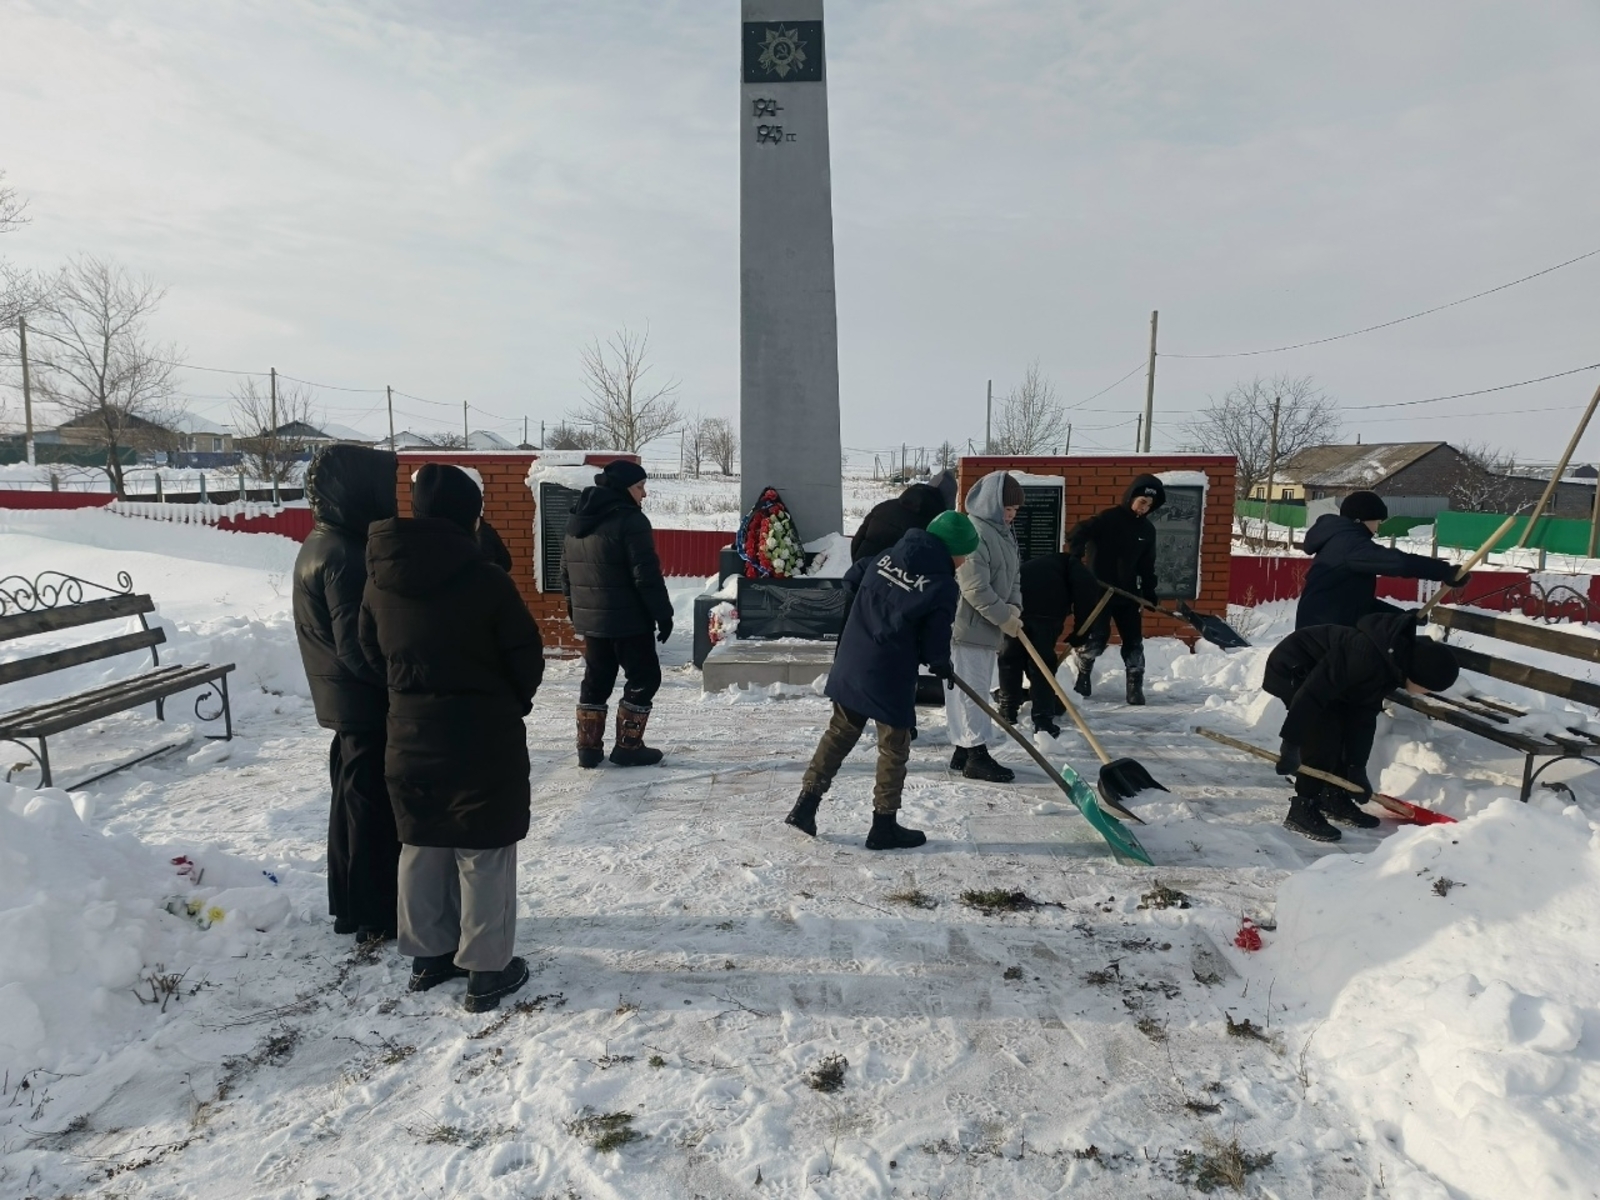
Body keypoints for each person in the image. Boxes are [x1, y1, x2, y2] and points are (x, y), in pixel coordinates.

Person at [359, 464, 545, 1012]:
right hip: (482, 738)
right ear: (470, 513)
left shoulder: (379, 577)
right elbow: (525, 657)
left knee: (422, 844)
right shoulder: (486, 578)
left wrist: (406, 695)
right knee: (483, 848)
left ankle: (428, 959)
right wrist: (510, 703)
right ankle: (487, 972)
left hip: (409, 735)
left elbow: (370, 653)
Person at [784, 511, 978, 848]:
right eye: (964, 555)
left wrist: (868, 614)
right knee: (894, 747)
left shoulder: (888, 555)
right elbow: (936, 636)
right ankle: (883, 825)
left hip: (854, 656)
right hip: (891, 670)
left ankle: (805, 806)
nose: (963, 563)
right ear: (951, 550)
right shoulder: (943, 585)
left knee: (840, 732)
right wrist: (940, 663)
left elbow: (853, 577)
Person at [292, 444, 402, 943]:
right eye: (384, 486)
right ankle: (373, 912)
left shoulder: (324, 541)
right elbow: (358, 648)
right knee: (369, 811)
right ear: (358, 489)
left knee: (352, 804)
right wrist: (398, 683)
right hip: (362, 704)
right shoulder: (343, 554)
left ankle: (351, 907)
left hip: (346, 703)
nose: (392, 497)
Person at [1264, 610, 1459, 842]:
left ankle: (1332, 794)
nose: (1427, 694)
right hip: (1294, 666)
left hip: (1328, 677)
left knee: (1343, 722)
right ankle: (1302, 806)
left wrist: (1356, 769)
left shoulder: (1391, 668)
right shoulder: (1365, 657)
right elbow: (1311, 696)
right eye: (1428, 688)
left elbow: (1363, 717)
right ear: (1418, 676)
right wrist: (1292, 744)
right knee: (1324, 731)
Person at [562, 459, 674, 768]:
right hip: (629, 621)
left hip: (594, 622)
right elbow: (646, 575)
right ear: (625, 488)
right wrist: (663, 614)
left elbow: (566, 574)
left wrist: (578, 614)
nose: (644, 494)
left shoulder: (577, 518)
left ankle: (588, 748)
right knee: (644, 677)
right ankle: (628, 746)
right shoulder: (630, 520)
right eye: (640, 487)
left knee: (597, 679)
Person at [945, 471, 1025, 782]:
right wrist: (1004, 616)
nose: (1011, 516)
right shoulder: (974, 535)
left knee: (970, 689)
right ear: (992, 504)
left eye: (1015, 511)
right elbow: (975, 588)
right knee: (970, 692)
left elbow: (1014, 577)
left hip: (987, 627)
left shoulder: (1004, 535)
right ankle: (976, 755)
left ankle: (963, 751)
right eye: (1007, 509)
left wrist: (1014, 607)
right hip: (967, 629)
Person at [1296, 491, 1468, 630]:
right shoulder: (1350, 545)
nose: (1378, 527)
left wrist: (1402, 617)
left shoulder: (1339, 540)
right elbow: (1398, 563)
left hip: (1324, 630)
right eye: (1377, 521)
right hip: (1322, 637)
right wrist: (1444, 571)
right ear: (1361, 519)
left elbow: (1358, 603)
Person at [1066, 474, 1165, 705]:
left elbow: (1147, 565)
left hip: (1127, 594)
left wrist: (1149, 591)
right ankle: (1083, 674)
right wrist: (1076, 555)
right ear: (1131, 497)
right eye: (1142, 502)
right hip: (1099, 591)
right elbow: (1079, 531)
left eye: (1149, 506)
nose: (1144, 509)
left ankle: (1135, 685)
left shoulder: (1147, 530)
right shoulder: (1108, 519)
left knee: (1133, 641)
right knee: (1097, 638)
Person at [995, 550, 1098, 736]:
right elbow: (1086, 598)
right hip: (1045, 616)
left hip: (1015, 611)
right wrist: (1081, 632)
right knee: (1042, 666)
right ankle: (1043, 720)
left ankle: (1007, 710)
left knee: (1010, 659)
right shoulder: (1074, 567)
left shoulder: (1042, 565)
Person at [850, 481, 948, 563]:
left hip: (863, 566)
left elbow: (859, 536)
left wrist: (857, 563)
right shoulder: (932, 524)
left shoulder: (884, 506)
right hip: (896, 578)